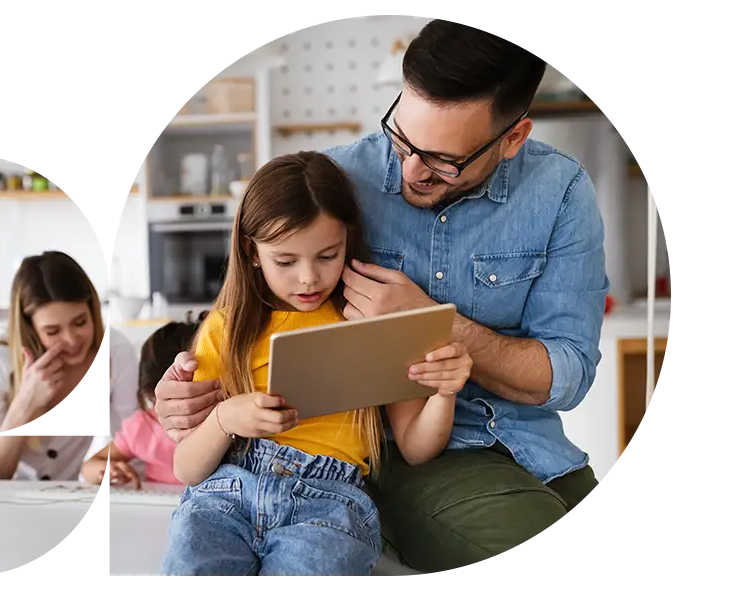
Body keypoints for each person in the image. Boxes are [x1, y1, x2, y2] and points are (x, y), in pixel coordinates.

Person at [153, 16, 608, 575]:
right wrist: (186, 403)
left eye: (445, 160)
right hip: (397, 458)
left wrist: (431, 326)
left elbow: (567, 375)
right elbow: (235, 339)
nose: (411, 169)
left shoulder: (561, 191)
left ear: (513, 137)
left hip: (534, 448)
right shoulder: (334, 186)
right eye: (403, 136)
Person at [158, 152, 473, 576]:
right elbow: (186, 468)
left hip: (329, 502)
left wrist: (445, 391)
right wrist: (223, 419)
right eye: (285, 262)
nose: (308, 278)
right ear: (252, 253)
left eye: (327, 255)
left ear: (349, 239)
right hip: (226, 492)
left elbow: (416, 448)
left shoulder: (371, 318)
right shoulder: (227, 327)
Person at [0, 251, 139, 481]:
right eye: (53, 331)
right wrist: (25, 403)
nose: (72, 340)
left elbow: (129, 442)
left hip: (55, 499)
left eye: (80, 322)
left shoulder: (115, 352)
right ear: (30, 328)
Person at [80, 319, 204, 488]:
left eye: (190, 399)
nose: (180, 411)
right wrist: (108, 469)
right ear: (150, 395)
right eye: (165, 400)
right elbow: (89, 467)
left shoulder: (226, 423)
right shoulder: (145, 425)